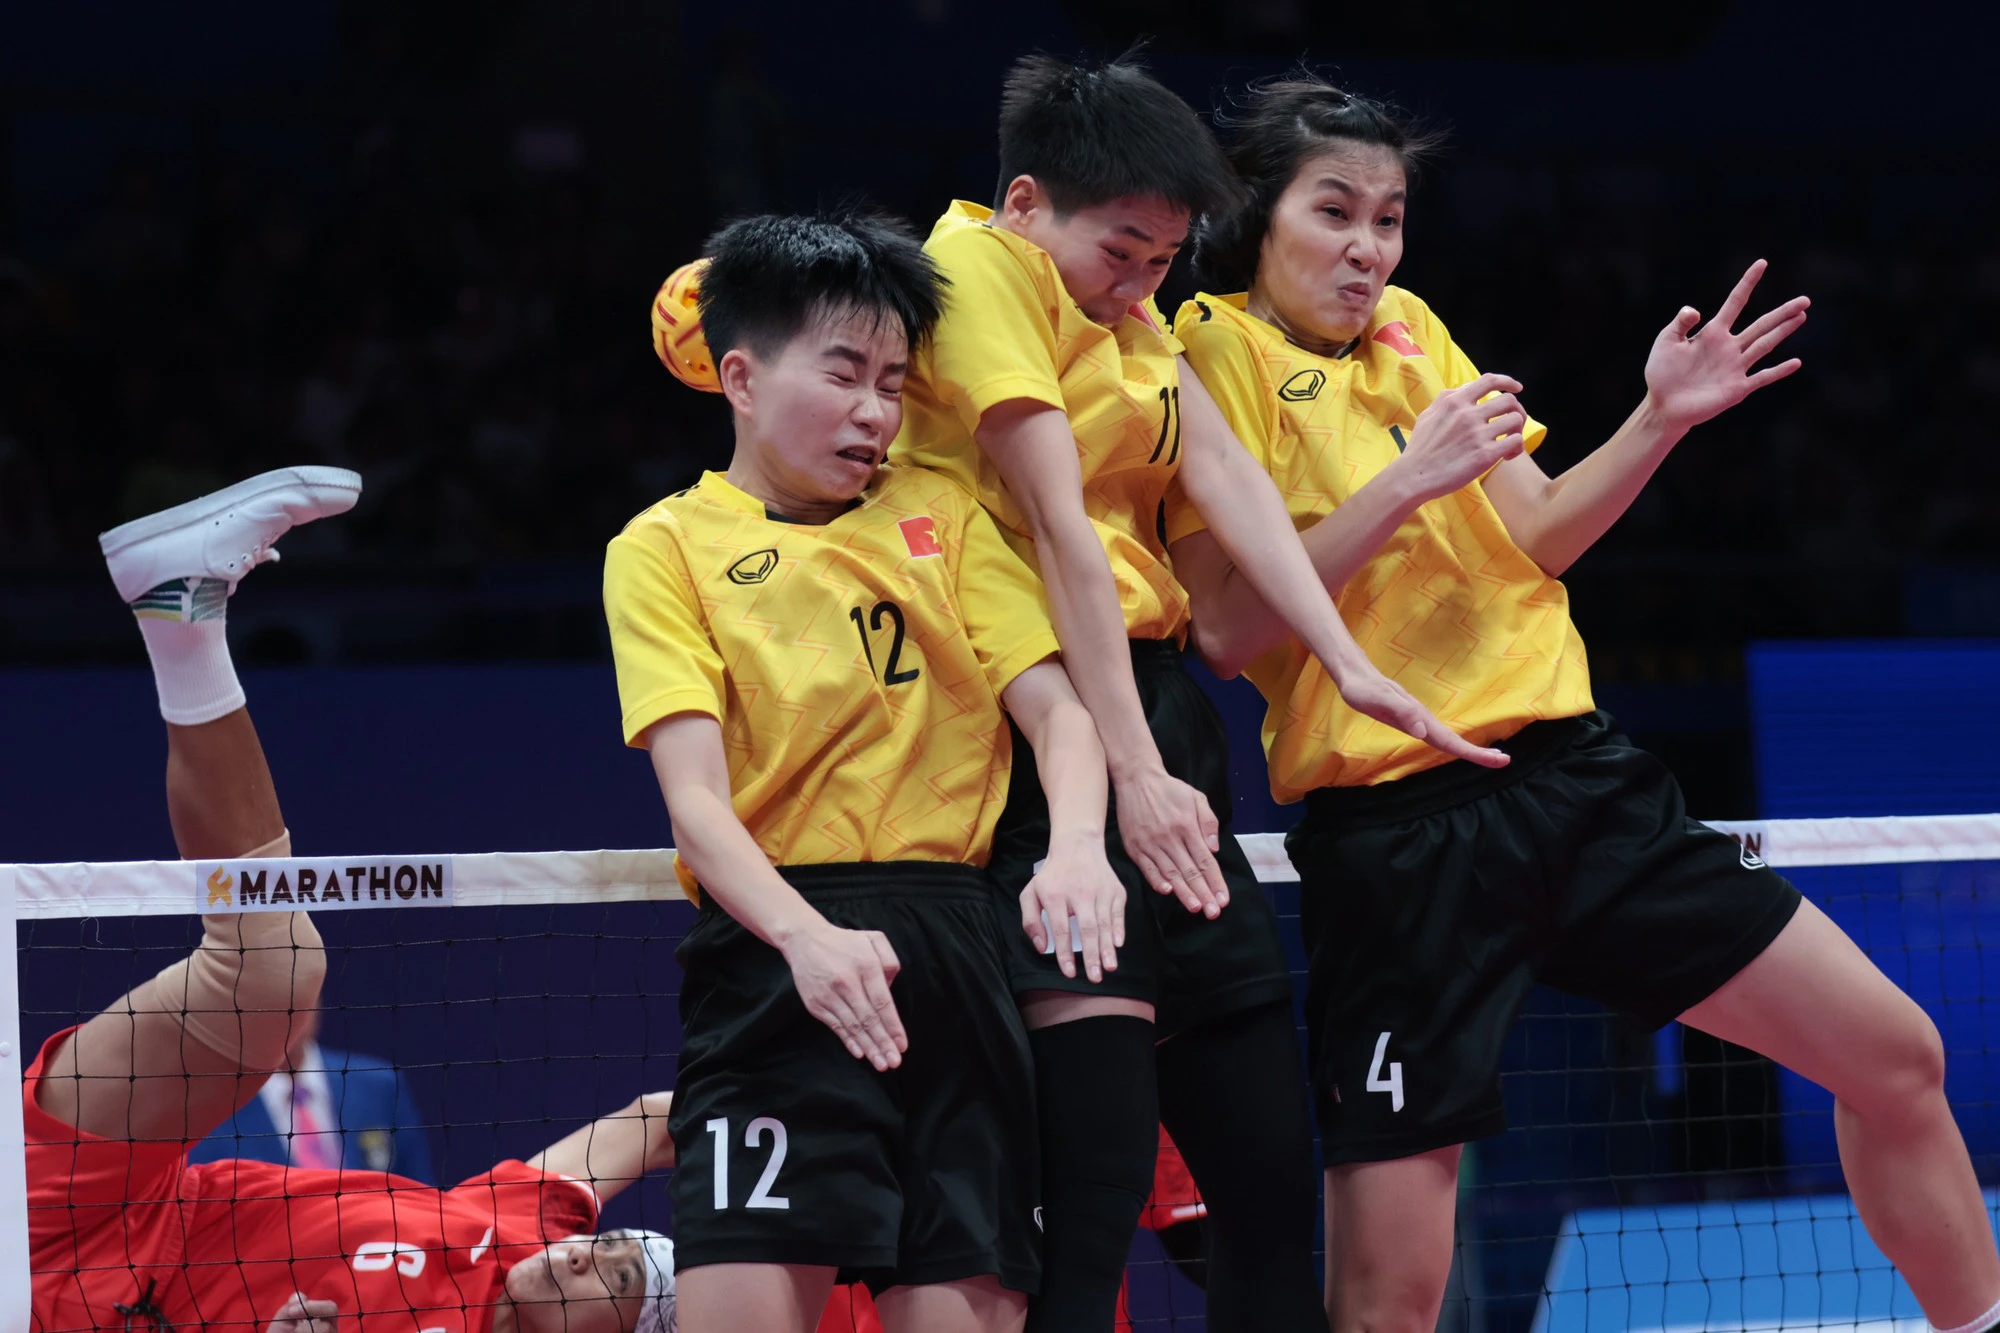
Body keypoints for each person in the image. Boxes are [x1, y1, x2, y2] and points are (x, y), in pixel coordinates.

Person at [1169, 72, 2000, 1333]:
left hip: (1575, 790)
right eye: (1333, 211)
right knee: (1387, 1292)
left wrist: (1658, 418)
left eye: (1388, 218)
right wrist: (1402, 482)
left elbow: (1538, 536)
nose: (1367, 247)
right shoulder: (1197, 357)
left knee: (1896, 1057)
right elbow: (1223, 634)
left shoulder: (1408, 332)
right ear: (1253, 213)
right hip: (1398, 844)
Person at [881, 53, 1505, 1333]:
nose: (1140, 279)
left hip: (1157, 720)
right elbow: (1060, 527)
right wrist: (1132, 775)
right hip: (1043, 724)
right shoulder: (978, 280)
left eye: (1165, 258)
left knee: (1268, 1194)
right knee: (1096, 1190)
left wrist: (1347, 664)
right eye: (1122, 249)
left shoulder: (1132, 317)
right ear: (1023, 202)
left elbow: (1223, 480)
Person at [611, 211, 1120, 1333]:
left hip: (959, 957)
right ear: (738, 377)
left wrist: (1078, 848)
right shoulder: (663, 547)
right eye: (843, 373)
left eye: (892, 382)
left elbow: (1058, 716)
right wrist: (802, 937)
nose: (874, 410)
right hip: (776, 962)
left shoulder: (941, 516)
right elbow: (694, 802)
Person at [29, 466, 680, 1333]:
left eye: (619, 1276)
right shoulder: (533, 1224)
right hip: (106, 1190)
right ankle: (181, 615)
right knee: (272, 969)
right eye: (609, 1242)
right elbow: (664, 1118)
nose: (581, 1252)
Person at [186, 1004, 436, 1180]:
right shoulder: (211, 1107)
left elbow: (419, 1193)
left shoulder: (379, 1085)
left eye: (298, 994)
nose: (288, 1010)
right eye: (274, 997)